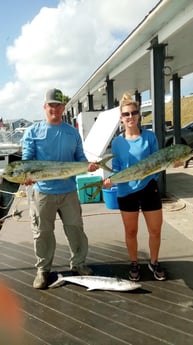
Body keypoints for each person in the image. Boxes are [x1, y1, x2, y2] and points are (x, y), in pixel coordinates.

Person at [22, 88, 98, 289]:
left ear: (63, 107)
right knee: (42, 233)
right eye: (51, 105)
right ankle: (43, 269)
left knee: (76, 229)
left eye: (58, 105)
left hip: (68, 191)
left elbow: (80, 158)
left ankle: (79, 263)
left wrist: (87, 165)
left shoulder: (72, 132)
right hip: (43, 193)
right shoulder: (32, 132)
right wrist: (26, 177)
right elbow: (27, 161)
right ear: (44, 107)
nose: (54, 108)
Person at [103, 92, 166, 282]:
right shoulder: (117, 142)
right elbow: (117, 169)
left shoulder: (150, 136)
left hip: (149, 189)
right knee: (131, 231)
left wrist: (170, 164)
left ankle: (153, 262)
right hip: (126, 192)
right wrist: (111, 180)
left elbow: (158, 161)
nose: (130, 117)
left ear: (139, 114)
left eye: (133, 113)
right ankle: (134, 263)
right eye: (126, 114)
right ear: (121, 118)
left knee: (155, 230)